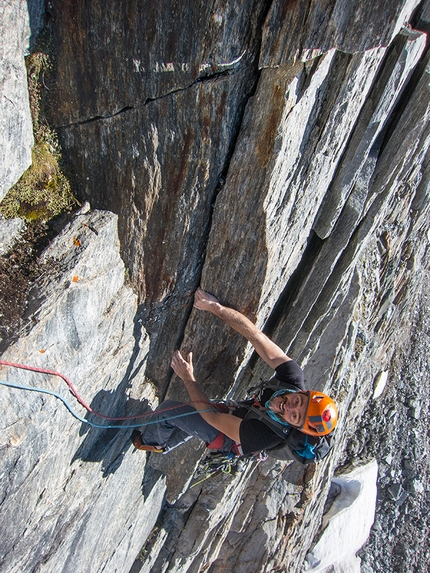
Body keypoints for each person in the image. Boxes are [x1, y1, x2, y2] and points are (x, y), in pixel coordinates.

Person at [132, 288, 338, 458]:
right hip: (240, 414)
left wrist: (188, 378)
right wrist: (216, 308)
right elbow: (256, 337)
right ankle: (169, 441)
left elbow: (212, 418)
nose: (288, 407)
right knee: (191, 414)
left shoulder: (266, 436)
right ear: (303, 392)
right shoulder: (292, 377)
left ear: (297, 427)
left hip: (229, 436)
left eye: (294, 416)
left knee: (169, 410)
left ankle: (152, 442)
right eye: (298, 402)